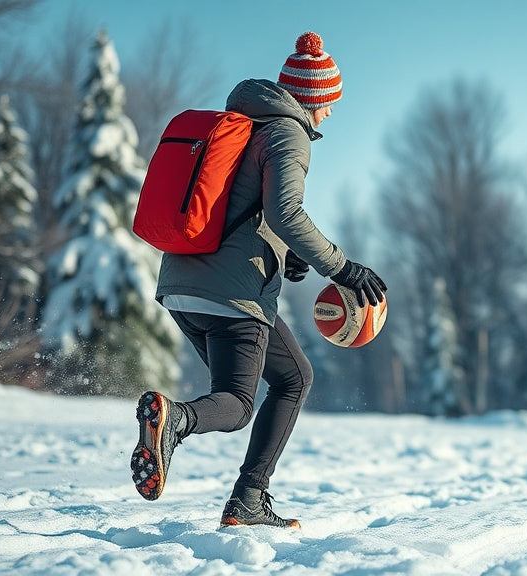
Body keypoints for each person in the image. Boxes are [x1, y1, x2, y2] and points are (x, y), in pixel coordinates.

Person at [130, 31, 386, 529]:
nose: (331, 114)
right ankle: (178, 423)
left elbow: (249, 209)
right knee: (241, 402)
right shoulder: (287, 134)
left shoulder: (244, 125)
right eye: (330, 103)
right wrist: (343, 267)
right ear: (312, 98)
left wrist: (286, 256)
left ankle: (248, 498)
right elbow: (286, 211)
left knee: (291, 377)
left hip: (183, 284)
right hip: (232, 292)